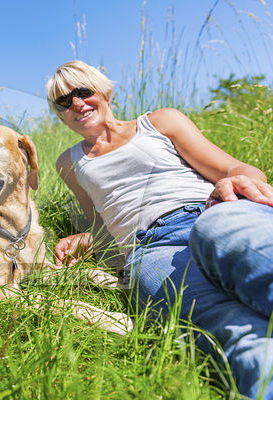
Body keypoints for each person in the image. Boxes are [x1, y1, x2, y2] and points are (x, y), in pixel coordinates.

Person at [46, 60, 273, 399]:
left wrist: (240, 182)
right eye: (64, 102)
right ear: (61, 115)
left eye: (82, 92)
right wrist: (86, 239)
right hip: (150, 250)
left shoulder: (160, 122)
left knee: (225, 232)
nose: (76, 104)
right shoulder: (69, 163)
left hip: (208, 211)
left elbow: (234, 167)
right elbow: (102, 226)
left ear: (105, 92)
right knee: (231, 329)